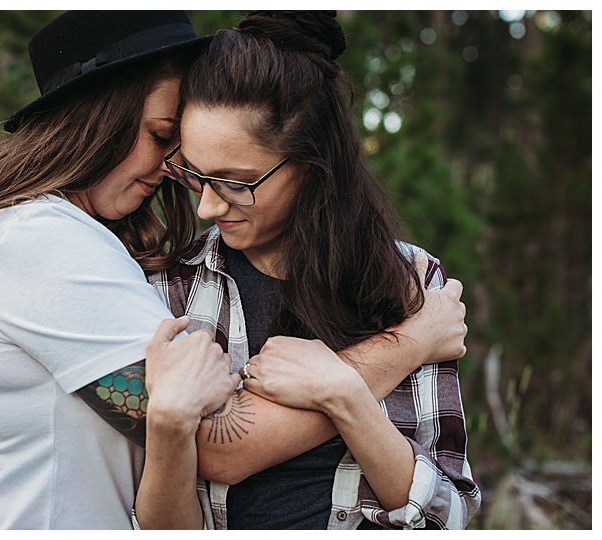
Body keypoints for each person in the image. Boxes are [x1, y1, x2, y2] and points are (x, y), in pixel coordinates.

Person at [0, 10, 468, 530]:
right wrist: (407, 344)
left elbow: (448, 504)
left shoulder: (404, 277)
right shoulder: (47, 242)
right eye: (161, 136)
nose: (182, 182)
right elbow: (214, 445)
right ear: (97, 123)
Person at [140, 10, 480, 530]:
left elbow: (449, 517)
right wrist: (403, 348)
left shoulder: (410, 281)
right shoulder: (169, 286)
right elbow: (193, 477)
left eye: (236, 182)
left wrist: (342, 393)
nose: (208, 207)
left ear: (313, 164)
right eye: (194, 174)